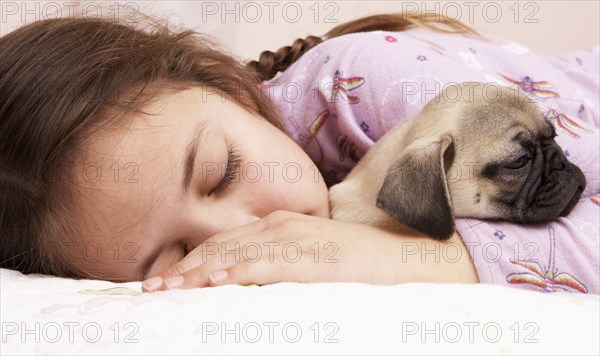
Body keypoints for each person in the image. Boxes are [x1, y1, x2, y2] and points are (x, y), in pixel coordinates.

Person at [0, 12, 597, 294]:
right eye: (175, 255)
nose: (249, 227)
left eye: (220, 173)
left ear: (224, 83)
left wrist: (396, 257)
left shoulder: (368, 79)